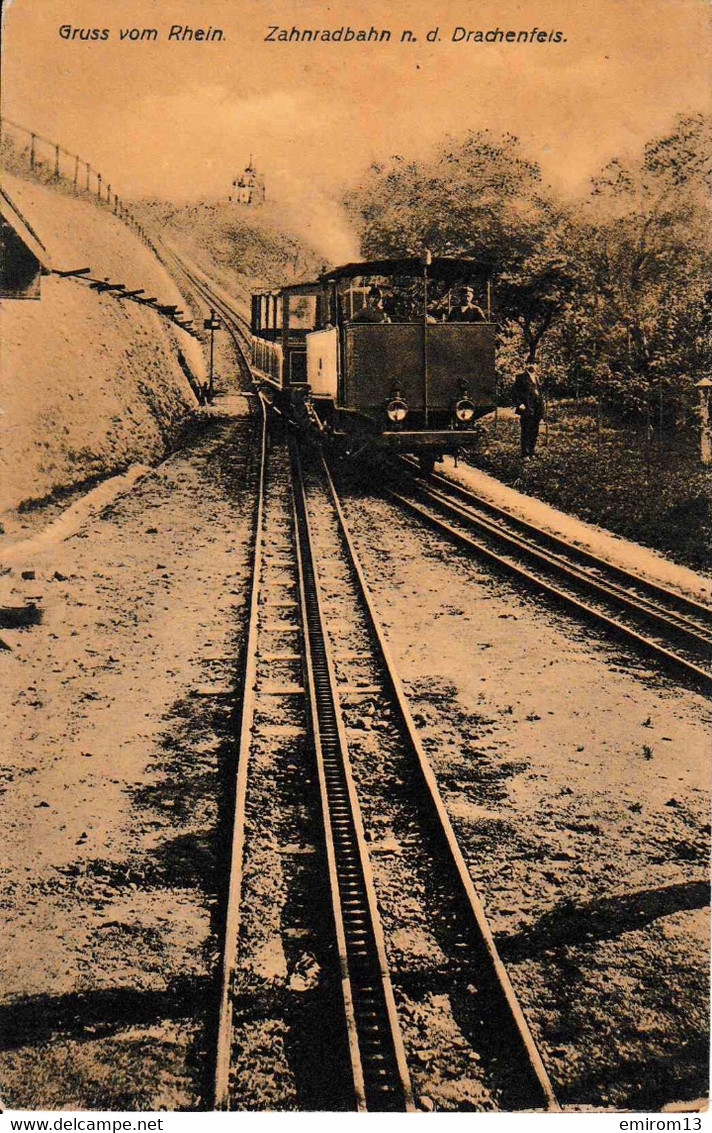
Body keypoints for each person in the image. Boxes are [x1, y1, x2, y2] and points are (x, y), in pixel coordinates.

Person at [513, 363, 544, 458]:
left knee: (534, 431)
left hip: (537, 408)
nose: (533, 366)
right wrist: (519, 404)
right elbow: (514, 392)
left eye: (535, 364)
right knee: (526, 430)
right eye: (530, 363)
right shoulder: (521, 377)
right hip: (527, 407)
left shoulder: (537, 378)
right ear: (526, 365)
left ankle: (531, 451)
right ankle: (525, 454)